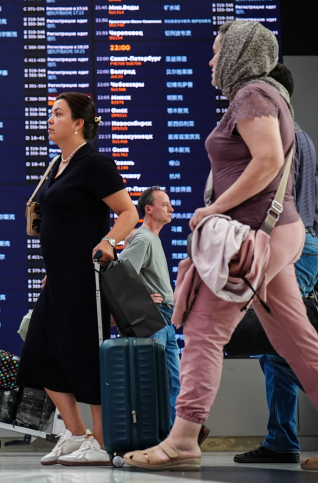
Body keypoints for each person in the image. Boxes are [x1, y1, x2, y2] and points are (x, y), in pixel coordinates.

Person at [125, 20, 318, 472]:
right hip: (274, 235)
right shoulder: (271, 96)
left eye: (217, 51)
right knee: (297, 341)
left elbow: (268, 161)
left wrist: (214, 209)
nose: (211, 61)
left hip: (249, 239)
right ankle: (182, 439)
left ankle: (182, 441)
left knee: (204, 330)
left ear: (238, 53)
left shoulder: (252, 95)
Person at [16, 92, 139, 466]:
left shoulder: (95, 164)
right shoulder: (58, 164)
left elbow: (128, 213)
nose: (49, 119)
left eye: (57, 114)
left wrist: (108, 242)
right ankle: (75, 433)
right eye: (50, 113)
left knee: (86, 357)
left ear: (78, 123)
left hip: (86, 278)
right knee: (38, 353)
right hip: (58, 278)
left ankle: (100, 443)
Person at [234, 63, 318, 465]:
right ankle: (281, 439)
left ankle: (281, 438)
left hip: (290, 247)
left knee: (292, 342)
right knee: (276, 347)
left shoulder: (281, 136)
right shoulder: (301, 136)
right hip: (302, 245)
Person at [118, 187, 180, 427]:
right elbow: (120, 275)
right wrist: (143, 299)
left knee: (172, 383)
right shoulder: (143, 238)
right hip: (155, 318)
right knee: (158, 384)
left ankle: (169, 437)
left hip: (165, 319)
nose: (171, 209)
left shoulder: (151, 238)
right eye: (165, 205)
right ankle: (155, 437)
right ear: (149, 209)